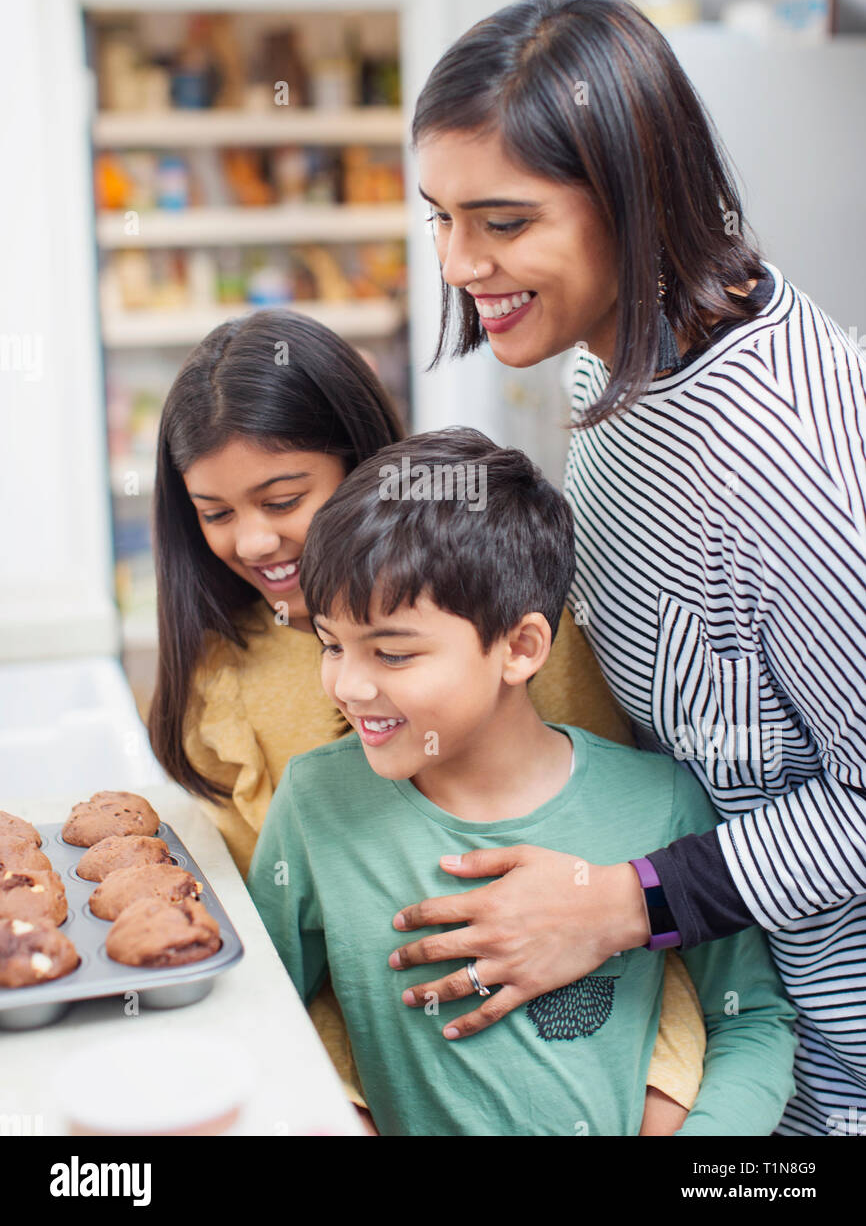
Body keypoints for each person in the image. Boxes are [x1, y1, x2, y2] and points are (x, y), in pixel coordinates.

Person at [392, 0, 866, 1136]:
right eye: (439, 216)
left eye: (502, 222)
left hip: (826, 1058)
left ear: (633, 197)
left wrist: (621, 902)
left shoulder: (787, 459)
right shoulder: (607, 365)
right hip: (716, 997)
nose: (457, 262)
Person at [146, 308, 701, 1133]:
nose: (254, 539)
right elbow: (286, 960)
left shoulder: (518, 639)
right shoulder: (219, 680)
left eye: (284, 497)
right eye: (214, 512)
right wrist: (348, 1105)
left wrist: (657, 1109)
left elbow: (638, 881)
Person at [246, 428, 797, 1136]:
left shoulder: (660, 801)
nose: (347, 685)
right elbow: (258, 1018)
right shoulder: (316, 804)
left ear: (521, 648)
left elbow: (751, 1020)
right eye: (331, 645)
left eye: (391, 653)